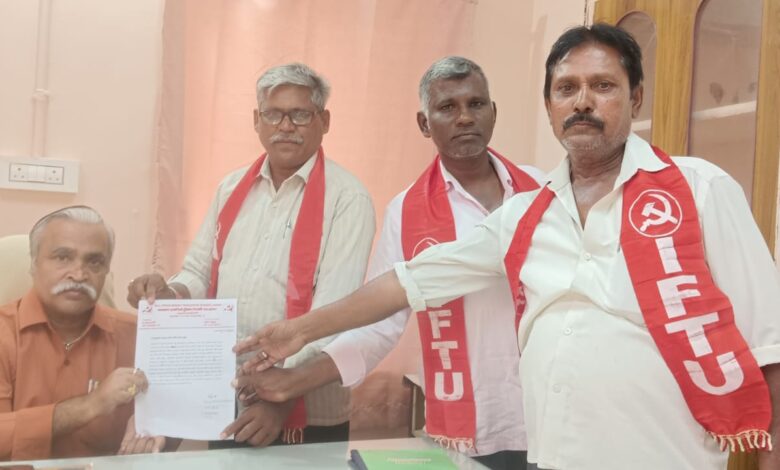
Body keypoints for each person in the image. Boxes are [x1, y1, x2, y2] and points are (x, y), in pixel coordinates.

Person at [235, 25, 780, 470]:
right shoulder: (527, 213)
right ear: (549, 105)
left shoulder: (697, 189)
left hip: (665, 455)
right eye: (566, 89)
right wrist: (300, 332)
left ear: (635, 97)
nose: (583, 102)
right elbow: (407, 283)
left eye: (603, 86)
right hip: (548, 450)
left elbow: (769, 344)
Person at [233, 56, 544, 469]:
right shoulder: (407, 211)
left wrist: (301, 334)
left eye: (476, 104)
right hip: (472, 429)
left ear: (493, 112)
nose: (465, 117)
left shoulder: (542, 192)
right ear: (424, 123)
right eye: (447, 107)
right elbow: (379, 326)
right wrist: (293, 381)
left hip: (550, 418)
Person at [128, 63, 376, 447]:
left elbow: (334, 317)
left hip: (306, 414)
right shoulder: (231, 188)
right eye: (273, 114)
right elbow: (199, 272)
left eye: (300, 114)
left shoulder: (348, 198)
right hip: (229, 399)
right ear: (257, 121)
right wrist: (168, 295)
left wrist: (282, 397)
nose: (285, 126)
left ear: (324, 121)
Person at [0, 206, 152, 460]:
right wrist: (91, 405)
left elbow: (173, 423)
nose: (79, 274)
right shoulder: (4, 333)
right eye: (63, 257)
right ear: (34, 264)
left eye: (94, 262)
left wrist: (155, 429)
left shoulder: (137, 335)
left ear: (106, 271)